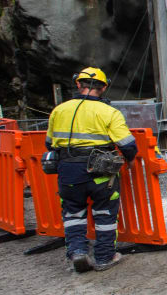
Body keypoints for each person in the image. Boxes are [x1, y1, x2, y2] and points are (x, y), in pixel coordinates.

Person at [46, 67, 137, 273]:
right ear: (104, 87)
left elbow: (49, 144)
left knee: (72, 213)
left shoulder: (59, 110)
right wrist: (130, 160)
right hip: (100, 172)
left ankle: (78, 252)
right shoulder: (109, 112)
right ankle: (105, 257)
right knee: (104, 213)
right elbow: (127, 144)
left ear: (78, 84)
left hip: (68, 171)